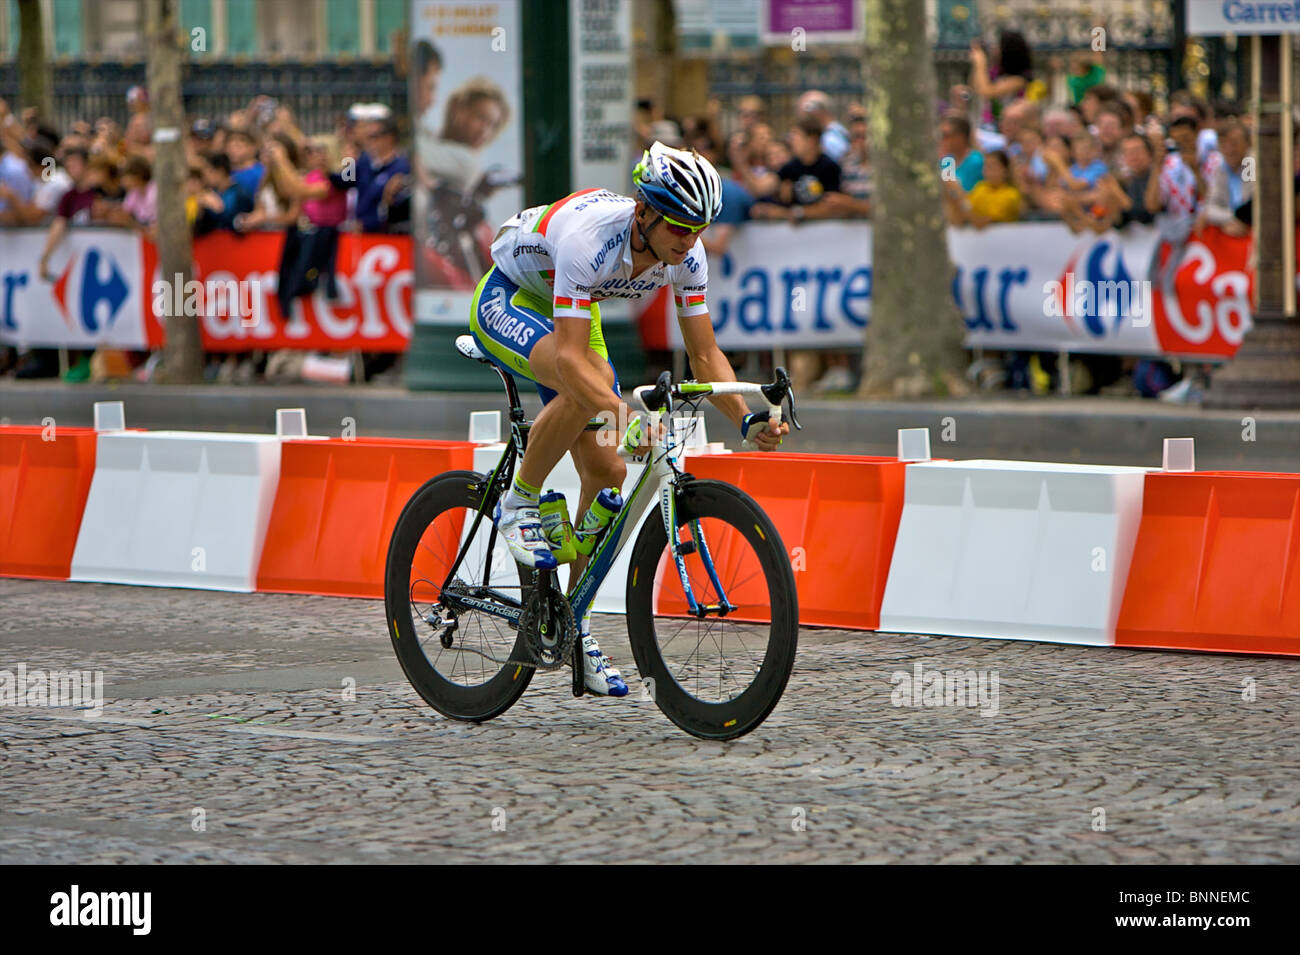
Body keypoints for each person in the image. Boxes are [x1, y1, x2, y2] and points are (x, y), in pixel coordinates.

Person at [469, 142, 790, 695]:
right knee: (581, 386)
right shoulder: (590, 239)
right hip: (511, 297)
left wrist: (745, 418)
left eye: (697, 229)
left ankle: (574, 628)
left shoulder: (686, 257)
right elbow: (570, 360)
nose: (689, 242)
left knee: (609, 474)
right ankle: (518, 499)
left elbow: (705, 356)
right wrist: (626, 419)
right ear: (643, 213)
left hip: (572, 306)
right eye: (679, 228)